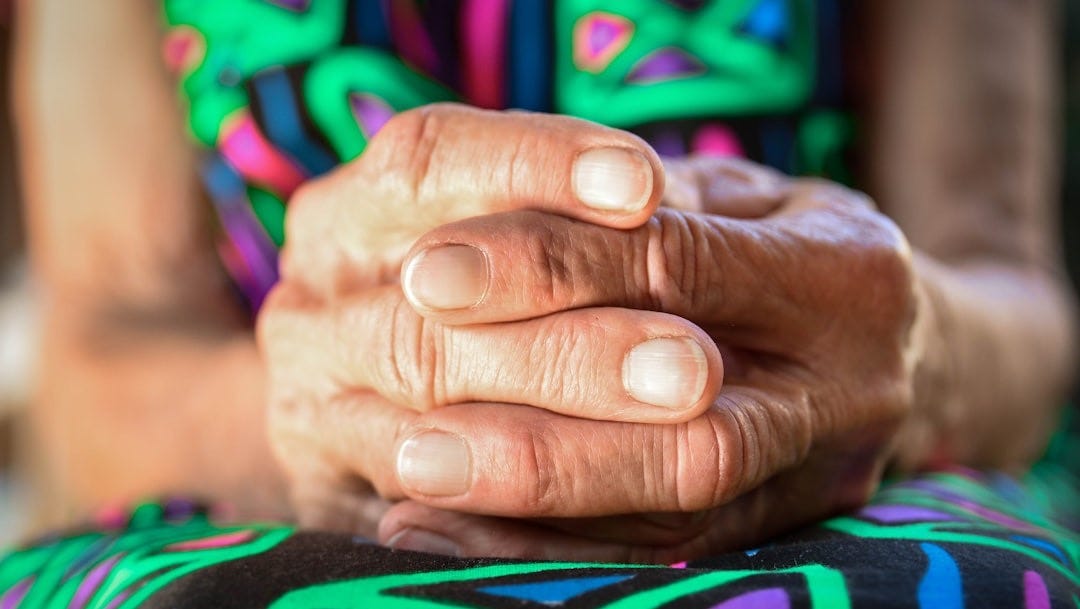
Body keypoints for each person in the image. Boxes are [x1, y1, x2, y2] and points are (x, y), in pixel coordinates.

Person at [1, 0, 1077, 606]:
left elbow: (1012, 302)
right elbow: (101, 350)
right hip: (271, 501)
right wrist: (305, 413)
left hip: (852, 485)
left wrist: (901, 343)